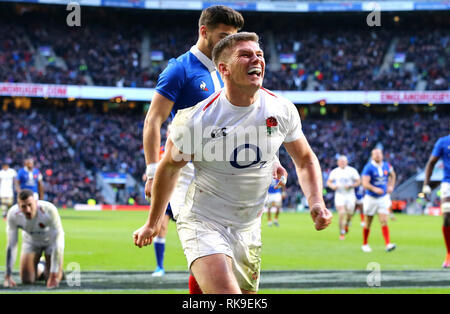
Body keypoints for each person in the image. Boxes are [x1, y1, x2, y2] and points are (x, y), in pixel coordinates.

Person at [133, 32, 332, 294]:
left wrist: (316, 201)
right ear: (223, 69)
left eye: (259, 55)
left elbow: (305, 160)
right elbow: (169, 168)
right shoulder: (198, 119)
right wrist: (153, 221)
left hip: (248, 227)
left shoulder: (282, 109)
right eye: (246, 55)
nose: (256, 60)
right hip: (204, 221)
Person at [142, 5, 287, 293]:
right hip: (187, 172)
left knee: (229, 252)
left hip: (229, 170)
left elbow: (252, 118)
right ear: (203, 31)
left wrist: (273, 158)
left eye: (232, 37)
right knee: (204, 243)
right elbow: (153, 120)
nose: (227, 43)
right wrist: (151, 170)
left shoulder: (232, 67)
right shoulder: (179, 69)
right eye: (222, 36)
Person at [3, 189, 64, 289]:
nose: (27, 210)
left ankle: (53, 270)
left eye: (30, 205)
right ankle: (42, 265)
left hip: (50, 242)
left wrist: (53, 275)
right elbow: (12, 245)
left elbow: (58, 240)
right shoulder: (13, 214)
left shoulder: (49, 210)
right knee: (27, 280)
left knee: (52, 277)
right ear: (18, 205)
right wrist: (8, 275)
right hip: (30, 242)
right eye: (23, 206)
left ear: (36, 202)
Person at [361, 148, 396, 253]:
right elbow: (365, 183)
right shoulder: (368, 167)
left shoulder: (387, 165)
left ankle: (388, 244)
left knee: (384, 220)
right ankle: (365, 244)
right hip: (371, 198)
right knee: (368, 222)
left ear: (382, 155)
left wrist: (391, 186)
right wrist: (375, 189)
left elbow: (393, 175)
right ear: (372, 156)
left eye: (379, 153)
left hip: (383, 198)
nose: (378, 155)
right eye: (375, 154)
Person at [422, 134, 450, 268]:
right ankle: (449, 253)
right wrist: (426, 184)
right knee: (447, 216)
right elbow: (432, 162)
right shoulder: (443, 142)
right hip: (448, 182)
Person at [326, 155, 361, 240]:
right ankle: (342, 233)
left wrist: (351, 185)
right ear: (338, 162)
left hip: (350, 195)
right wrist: (333, 186)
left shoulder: (352, 171)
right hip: (340, 194)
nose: (342, 163)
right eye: (340, 161)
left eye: (343, 161)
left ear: (346, 162)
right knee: (341, 213)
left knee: (349, 214)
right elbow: (329, 182)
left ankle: (347, 223)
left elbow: (358, 181)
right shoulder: (335, 171)